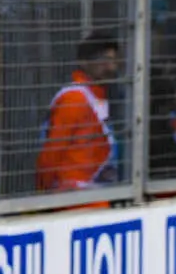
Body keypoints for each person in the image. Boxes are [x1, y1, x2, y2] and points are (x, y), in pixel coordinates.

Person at [36, 31, 122, 191]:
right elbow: (52, 153)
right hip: (76, 195)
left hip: (94, 193)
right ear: (84, 62)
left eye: (114, 60)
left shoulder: (97, 96)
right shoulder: (75, 98)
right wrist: (44, 194)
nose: (111, 67)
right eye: (104, 60)